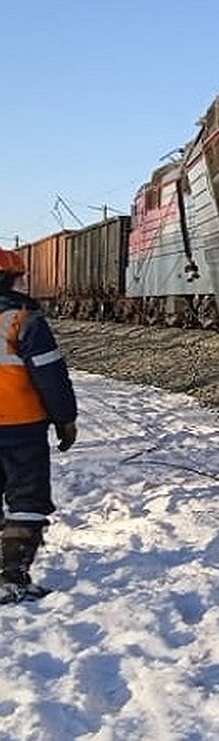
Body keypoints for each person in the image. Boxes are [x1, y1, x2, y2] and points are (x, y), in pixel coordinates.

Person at [0, 247, 77, 601]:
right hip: (20, 426)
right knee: (27, 498)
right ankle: (12, 576)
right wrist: (64, 419)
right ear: (10, 278)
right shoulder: (24, 320)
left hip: (20, 426)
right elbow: (50, 375)